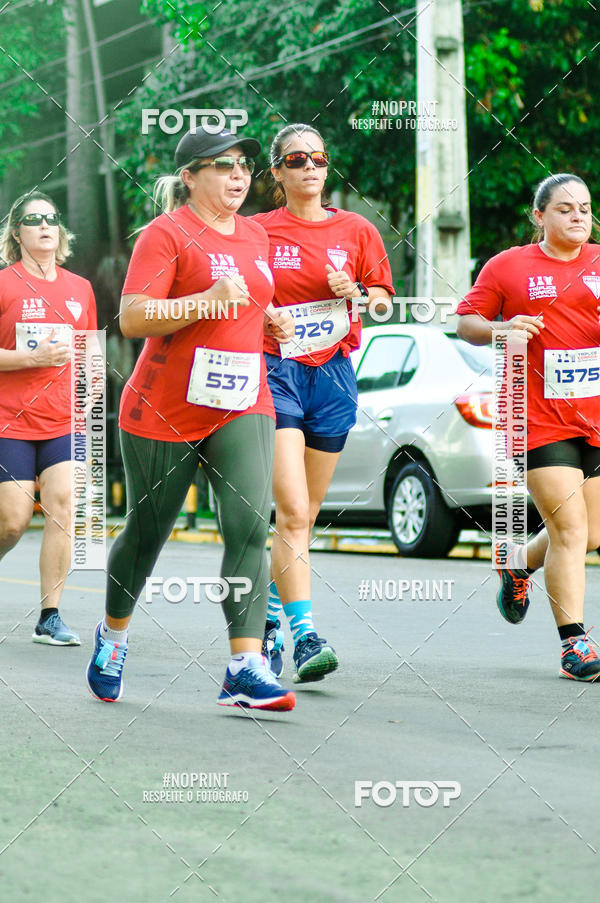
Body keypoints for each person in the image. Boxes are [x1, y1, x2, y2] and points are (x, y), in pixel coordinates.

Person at [86, 126, 297, 710]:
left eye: (243, 167)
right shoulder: (166, 233)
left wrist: (270, 320)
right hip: (164, 407)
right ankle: (114, 635)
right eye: (223, 166)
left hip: (241, 400)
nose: (238, 177)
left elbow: (250, 301)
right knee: (148, 532)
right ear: (190, 178)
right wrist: (205, 299)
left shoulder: (255, 235)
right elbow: (133, 318)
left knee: (252, 526)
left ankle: (244, 666)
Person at [252, 123, 395, 682]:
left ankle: (266, 617)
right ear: (278, 173)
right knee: (290, 512)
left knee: (305, 516)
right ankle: (305, 634)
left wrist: (358, 294)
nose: (310, 166)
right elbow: (239, 288)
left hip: (333, 374)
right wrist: (266, 313)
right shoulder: (258, 230)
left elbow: (382, 298)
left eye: (319, 157)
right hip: (276, 369)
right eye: (297, 159)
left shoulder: (356, 229)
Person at [457, 172, 600, 681]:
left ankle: (517, 563)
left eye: (584, 207)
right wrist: (503, 328)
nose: (578, 216)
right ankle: (574, 644)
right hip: (538, 417)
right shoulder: (509, 266)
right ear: (538, 216)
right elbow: (466, 324)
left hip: (595, 417)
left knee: (589, 533)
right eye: (565, 208)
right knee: (570, 527)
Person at [0, 191, 97, 645]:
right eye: (33, 219)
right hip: (10, 421)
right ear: (16, 233)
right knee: (13, 521)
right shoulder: (4, 284)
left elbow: (89, 350)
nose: (44, 225)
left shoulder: (80, 287)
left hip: (65, 420)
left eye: (51, 218)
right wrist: (28, 358)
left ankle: (50, 616)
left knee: (63, 507)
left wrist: (91, 390)